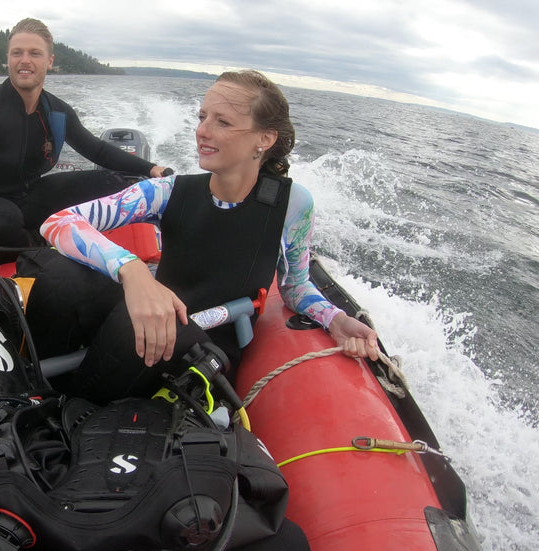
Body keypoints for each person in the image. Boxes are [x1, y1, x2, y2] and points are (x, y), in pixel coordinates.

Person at [23, 68, 379, 402]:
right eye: (202, 117)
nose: (202, 131)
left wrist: (336, 319)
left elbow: (295, 286)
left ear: (265, 139)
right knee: (63, 277)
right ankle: (38, 385)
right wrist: (132, 272)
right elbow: (58, 222)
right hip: (150, 320)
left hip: (205, 349)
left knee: (136, 326)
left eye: (222, 122)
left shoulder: (292, 205)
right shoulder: (168, 191)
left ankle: (69, 406)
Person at [0, 17, 167, 271]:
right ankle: (53, 249)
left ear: (49, 61)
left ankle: (62, 240)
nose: (25, 60)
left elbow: (97, 150)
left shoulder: (56, 112)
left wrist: (150, 169)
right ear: (9, 59)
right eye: (17, 53)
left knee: (111, 183)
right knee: (3, 222)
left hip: (32, 194)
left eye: (35, 53)